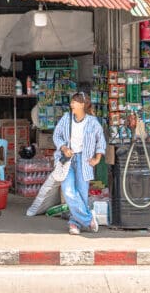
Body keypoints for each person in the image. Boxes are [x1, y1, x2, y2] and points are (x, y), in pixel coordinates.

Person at [53, 92, 106, 235]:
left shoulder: (92, 122)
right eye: (71, 102)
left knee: (82, 194)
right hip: (67, 160)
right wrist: (64, 147)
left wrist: (97, 158)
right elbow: (56, 135)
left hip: (84, 159)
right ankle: (89, 219)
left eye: (74, 102)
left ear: (82, 105)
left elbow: (100, 140)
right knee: (68, 191)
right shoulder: (66, 118)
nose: (71, 105)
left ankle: (74, 224)